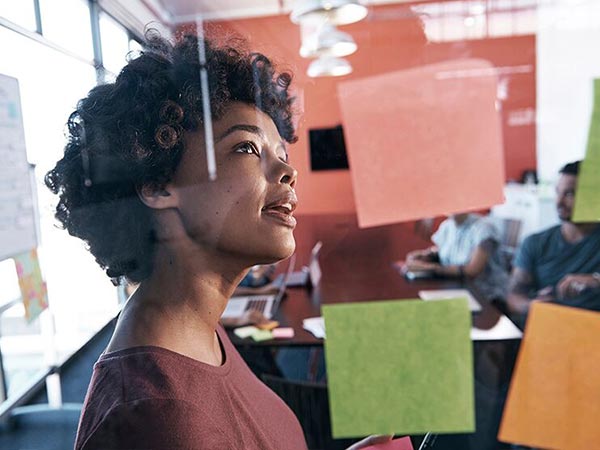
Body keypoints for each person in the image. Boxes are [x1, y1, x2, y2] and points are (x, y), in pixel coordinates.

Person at [46, 31, 390, 450]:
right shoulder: (159, 418)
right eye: (247, 147)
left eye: (281, 152)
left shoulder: (200, 332)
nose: (286, 170)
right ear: (156, 184)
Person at [506, 161, 600, 318]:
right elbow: (513, 297)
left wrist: (596, 280)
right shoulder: (535, 243)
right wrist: (534, 307)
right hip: (548, 330)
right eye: (558, 192)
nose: (559, 202)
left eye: (569, 194)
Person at [404, 212, 509, 301]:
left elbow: (472, 271)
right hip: (456, 290)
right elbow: (443, 251)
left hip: (486, 296)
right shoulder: (447, 226)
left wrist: (431, 268)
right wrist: (425, 255)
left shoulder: (484, 229)